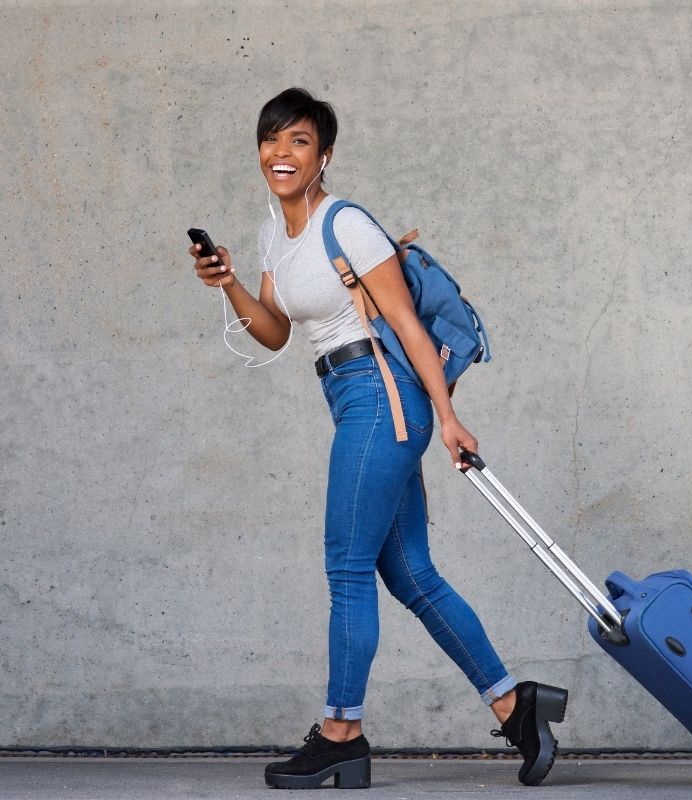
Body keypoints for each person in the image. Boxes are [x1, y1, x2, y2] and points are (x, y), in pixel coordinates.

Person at [190, 87, 568, 790]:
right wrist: (230, 284)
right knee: (411, 574)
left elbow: (408, 324)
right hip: (348, 398)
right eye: (272, 140)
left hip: (382, 398)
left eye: (300, 141)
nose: (283, 152)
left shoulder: (348, 225)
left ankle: (341, 733)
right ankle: (517, 707)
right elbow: (273, 332)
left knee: (347, 567)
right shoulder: (277, 233)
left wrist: (447, 418)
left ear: (323, 155)